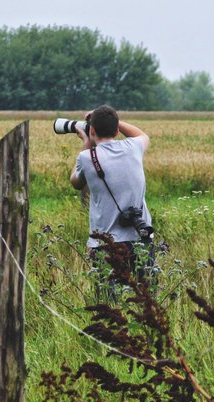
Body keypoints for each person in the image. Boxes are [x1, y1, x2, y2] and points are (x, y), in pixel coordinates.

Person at [69, 105, 154, 295]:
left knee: (108, 303)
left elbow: (75, 181)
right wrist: (111, 119)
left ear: (91, 130)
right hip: (141, 235)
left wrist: (86, 142)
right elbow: (142, 135)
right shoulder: (133, 147)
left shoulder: (86, 157)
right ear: (117, 130)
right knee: (147, 299)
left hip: (105, 242)